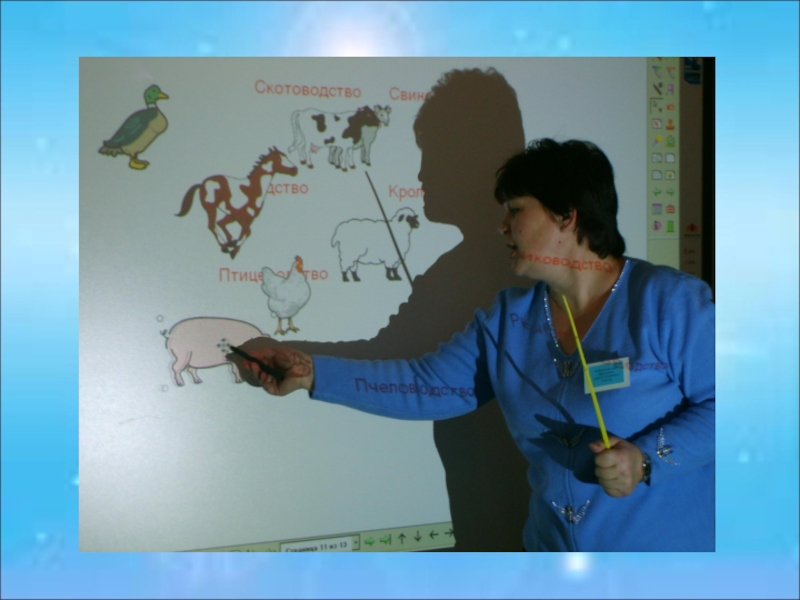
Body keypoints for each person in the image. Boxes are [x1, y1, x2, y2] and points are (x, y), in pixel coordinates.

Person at [240, 136, 716, 552]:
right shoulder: (509, 319)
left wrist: (645, 458)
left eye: (515, 210)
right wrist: (312, 373)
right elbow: (426, 386)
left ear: (566, 215)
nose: (502, 226)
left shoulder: (669, 301)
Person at [240, 68, 531, 550]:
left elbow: (400, 361)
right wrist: (289, 357)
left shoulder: (530, 278)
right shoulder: (460, 270)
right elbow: (401, 360)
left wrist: (290, 358)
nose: (421, 175)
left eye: (432, 155)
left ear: (479, 159)